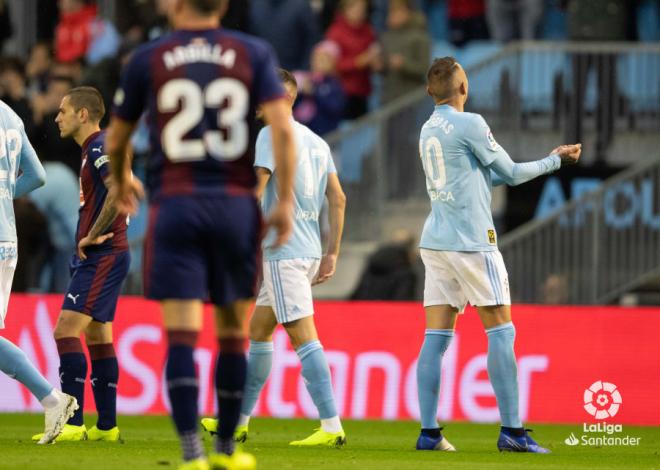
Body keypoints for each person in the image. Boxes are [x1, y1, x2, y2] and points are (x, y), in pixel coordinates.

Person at [106, 1, 296, 469]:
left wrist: (122, 176)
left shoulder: (148, 57)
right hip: (235, 206)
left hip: (176, 204)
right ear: (223, 5)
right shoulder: (252, 51)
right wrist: (286, 200)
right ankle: (228, 450)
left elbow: (116, 137)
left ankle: (191, 450)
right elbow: (283, 130)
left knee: (182, 336)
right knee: (233, 333)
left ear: (174, 5)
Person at [415, 57, 581, 453]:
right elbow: (510, 173)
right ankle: (512, 431)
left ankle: (429, 432)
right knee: (502, 332)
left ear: (428, 92)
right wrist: (555, 159)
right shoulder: (469, 122)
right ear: (462, 89)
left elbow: (472, 173)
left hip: (435, 241)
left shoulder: (427, 128)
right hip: (471, 242)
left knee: (435, 339)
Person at [200, 69, 347, 447]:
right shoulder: (316, 141)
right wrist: (332, 253)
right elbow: (338, 198)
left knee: (303, 336)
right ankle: (237, 422)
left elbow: (257, 191)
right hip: (310, 249)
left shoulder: (270, 134)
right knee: (260, 331)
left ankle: (331, 426)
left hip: (284, 252)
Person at [31, 86, 130, 443]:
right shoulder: (95, 149)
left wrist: (91, 236)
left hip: (103, 253)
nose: (57, 117)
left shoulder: (101, 146)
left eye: (63, 110)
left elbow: (120, 192)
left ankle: (72, 424)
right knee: (98, 335)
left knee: (64, 332)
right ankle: (107, 427)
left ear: (82, 115)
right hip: (107, 253)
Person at [0, 99, 78, 444]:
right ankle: (52, 399)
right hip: (7, 240)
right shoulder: (10, 115)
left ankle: (52, 398)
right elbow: (38, 176)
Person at [326, 0, 379, 119]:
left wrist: (376, 62)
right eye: (356, 9)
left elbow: (373, 55)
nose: (360, 13)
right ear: (346, 10)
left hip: (364, 90)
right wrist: (358, 62)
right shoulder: (335, 32)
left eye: (363, 9)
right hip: (342, 92)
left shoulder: (368, 30)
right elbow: (331, 65)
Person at [379, 0, 431, 105]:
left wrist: (404, 64)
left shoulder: (420, 37)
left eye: (397, 12)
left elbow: (424, 69)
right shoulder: (386, 37)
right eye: (391, 12)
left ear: (409, 13)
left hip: (412, 99)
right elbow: (385, 68)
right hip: (389, 98)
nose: (393, 15)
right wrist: (380, 65)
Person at [293, 40, 346, 136]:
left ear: (334, 63)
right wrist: (299, 92)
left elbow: (335, 107)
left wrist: (314, 92)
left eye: (323, 60)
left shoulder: (334, 84)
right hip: (306, 135)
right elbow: (295, 107)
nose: (317, 63)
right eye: (315, 59)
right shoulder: (307, 79)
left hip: (327, 136)